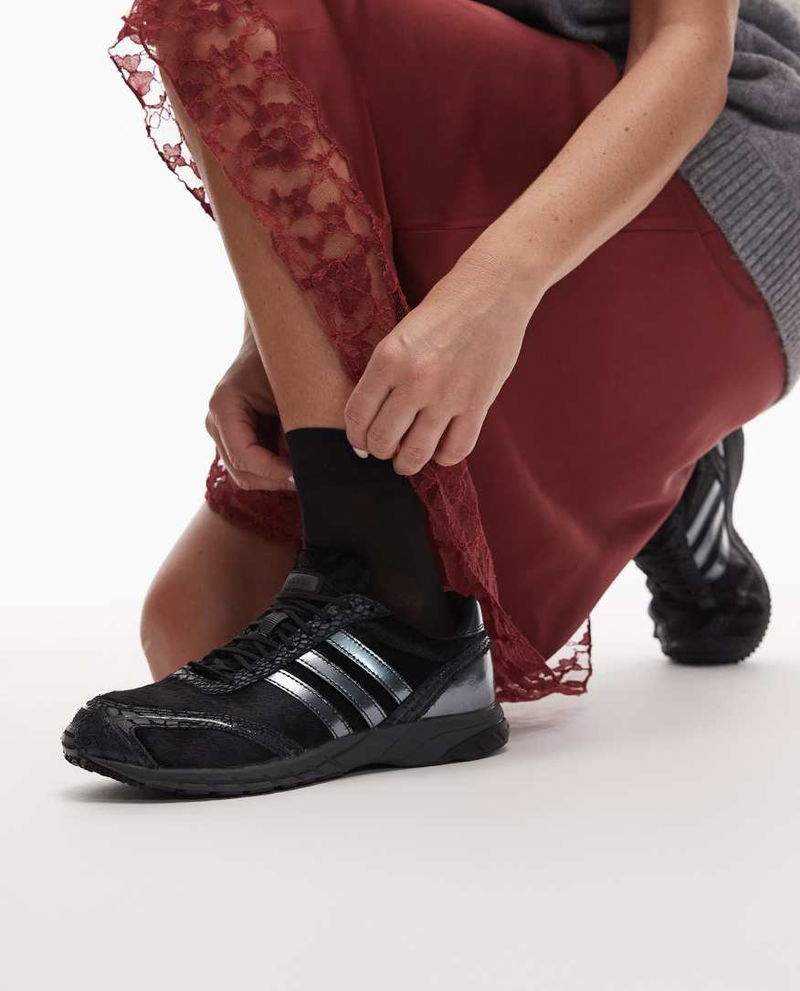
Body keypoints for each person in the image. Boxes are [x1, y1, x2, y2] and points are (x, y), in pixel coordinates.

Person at [62, 0, 799, 796]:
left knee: (212, 4)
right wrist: (269, 343)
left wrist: (493, 294)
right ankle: (668, 464)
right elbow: (312, 92)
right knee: (196, 624)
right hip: (501, 159)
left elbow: (689, 48)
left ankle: (390, 605)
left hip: (714, 178)